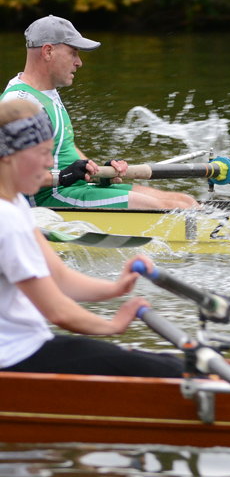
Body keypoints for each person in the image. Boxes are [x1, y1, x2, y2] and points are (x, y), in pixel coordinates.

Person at [0, 98, 183, 377]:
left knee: (166, 363)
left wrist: (116, 288)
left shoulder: (16, 204)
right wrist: (112, 326)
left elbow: (59, 278)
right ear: (10, 155)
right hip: (14, 358)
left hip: (23, 349)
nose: (50, 163)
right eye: (43, 152)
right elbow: (58, 312)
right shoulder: (7, 218)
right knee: (170, 370)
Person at [2, 15, 197, 210]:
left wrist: (98, 170)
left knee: (184, 201)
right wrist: (63, 176)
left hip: (73, 188)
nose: (79, 62)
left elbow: (64, 150)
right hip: (49, 199)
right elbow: (7, 173)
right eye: (73, 53)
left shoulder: (47, 92)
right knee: (169, 209)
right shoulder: (20, 102)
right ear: (48, 51)